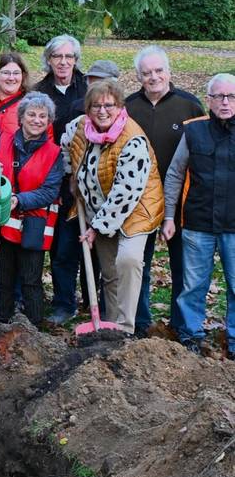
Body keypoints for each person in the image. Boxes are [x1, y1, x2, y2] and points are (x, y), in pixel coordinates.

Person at [61, 79, 164, 335]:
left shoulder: (132, 139)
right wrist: (70, 174)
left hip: (136, 209)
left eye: (109, 105)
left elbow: (125, 193)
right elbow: (67, 145)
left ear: (120, 107)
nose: (102, 111)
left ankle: (125, 327)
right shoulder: (80, 127)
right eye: (96, 105)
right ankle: (108, 326)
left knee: (127, 261)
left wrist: (96, 228)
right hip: (98, 206)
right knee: (109, 271)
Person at [125, 45, 203, 337]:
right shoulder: (129, 107)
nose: (153, 77)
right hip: (139, 199)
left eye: (158, 71)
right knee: (139, 265)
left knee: (182, 267)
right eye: (146, 73)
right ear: (138, 76)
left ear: (169, 72)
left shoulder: (189, 106)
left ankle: (182, 325)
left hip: (181, 200)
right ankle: (140, 323)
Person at [162, 73, 235, 359]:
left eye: (231, 96)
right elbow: (175, 174)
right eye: (219, 96)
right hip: (197, 224)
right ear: (209, 100)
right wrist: (169, 216)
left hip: (234, 226)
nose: (225, 102)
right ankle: (191, 336)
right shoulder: (193, 131)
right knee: (193, 286)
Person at [0, 93, 63, 326]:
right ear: (21, 117)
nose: (37, 120)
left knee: (31, 280)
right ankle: (0, 324)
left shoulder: (55, 153)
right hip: (2, 220)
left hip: (34, 223)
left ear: (49, 121)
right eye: (32, 114)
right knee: (2, 277)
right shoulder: (3, 140)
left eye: (43, 116)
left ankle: (34, 329)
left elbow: (50, 191)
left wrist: (20, 199)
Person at [36, 34, 88, 325]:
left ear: (76, 60)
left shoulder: (88, 87)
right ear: (49, 60)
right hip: (55, 180)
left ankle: (93, 302)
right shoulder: (41, 91)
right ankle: (63, 303)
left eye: (69, 57)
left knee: (90, 248)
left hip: (88, 179)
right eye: (58, 57)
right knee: (62, 247)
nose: (64, 62)